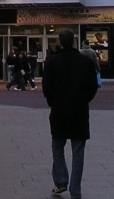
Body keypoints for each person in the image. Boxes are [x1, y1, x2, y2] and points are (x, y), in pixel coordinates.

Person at [42, 28, 99, 199]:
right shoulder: (85, 62)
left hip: (59, 111)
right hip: (79, 111)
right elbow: (93, 87)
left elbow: (47, 88)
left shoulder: (52, 63)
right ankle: (76, 190)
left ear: (60, 42)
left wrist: (53, 101)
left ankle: (61, 181)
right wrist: (84, 100)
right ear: (73, 41)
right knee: (78, 151)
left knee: (57, 147)